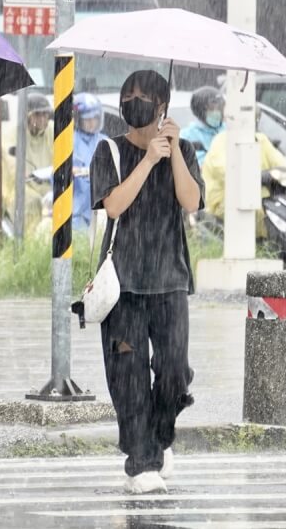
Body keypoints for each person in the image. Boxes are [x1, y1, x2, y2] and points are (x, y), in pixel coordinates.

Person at [89, 70, 203, 495]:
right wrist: (149, 159)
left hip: (170, 279)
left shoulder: (184, 149)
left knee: (175, 372)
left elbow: (191, 201)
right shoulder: (109, 151)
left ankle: (159, 435)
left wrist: (171, 153)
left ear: (162, 108)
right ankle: (141, 462)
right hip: (122, 285)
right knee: (129, 376)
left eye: (144, 97)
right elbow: (114, 206)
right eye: (128, 96)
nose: (133, 103)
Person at [201, 106, 286, 238]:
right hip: (225, 202)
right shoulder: (221, 141)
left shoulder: (261, 140)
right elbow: (225, 170)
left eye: (255, 119)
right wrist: (257, 176)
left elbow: (280, 163)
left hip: (264, 201)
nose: (252, 123)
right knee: (259, 216)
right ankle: (262, 247)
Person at [1, 93, 54, 233]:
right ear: (27, 116)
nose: (43, 119)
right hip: (18, 186)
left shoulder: (53, 130)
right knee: (32, 202)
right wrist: (25, 174)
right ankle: (29, 244)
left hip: (48, 183)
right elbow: (12, 166)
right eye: (38, 115)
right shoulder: (12, 134)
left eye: (46, 114)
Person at [73, 92, 108, 230]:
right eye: (87, 119)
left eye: (95, 118)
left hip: (98, 206)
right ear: (77, 119)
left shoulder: (104, 140)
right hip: (76, 208)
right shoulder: (68, 140)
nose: (92, 123)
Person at [180, 86, 226, 166]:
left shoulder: (230, 130)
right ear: (200, 110)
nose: (217, 112)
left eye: (220, 108)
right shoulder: (187, 135)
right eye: (212, 109)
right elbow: (195, 165)